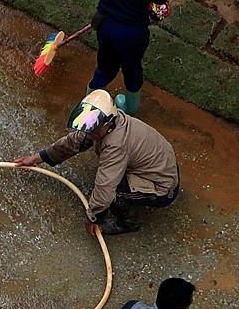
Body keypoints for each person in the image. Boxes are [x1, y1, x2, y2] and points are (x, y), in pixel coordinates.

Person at [14, 89, 179, 235]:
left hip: (162, 186)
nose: (88, 130)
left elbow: (105, 186)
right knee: (108, 182)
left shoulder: (116, 144)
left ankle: (128, 222)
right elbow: (73, 142)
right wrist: (37, 158)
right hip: (160, 166)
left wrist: (94, 217)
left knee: (112, 191)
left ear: (107, 124)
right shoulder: (107, 123)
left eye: (92, 127)